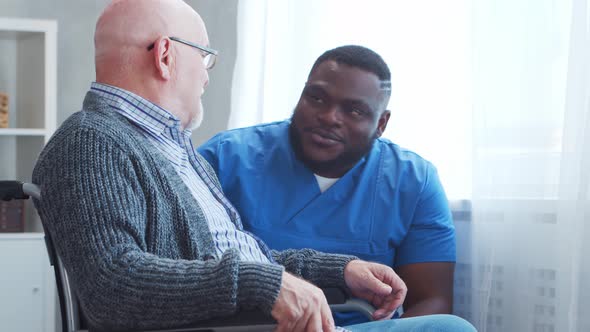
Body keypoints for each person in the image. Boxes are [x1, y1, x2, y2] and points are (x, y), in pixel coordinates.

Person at [30, 1, 478, 332]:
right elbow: (113, 288)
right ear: (166, 56)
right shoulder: (92, 142)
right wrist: (262, 284)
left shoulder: (174, 151)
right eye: (204, 56)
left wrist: (339, 270)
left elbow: (244, 259)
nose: (206, 75)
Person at [198, 45, 458, 326]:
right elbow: (182, 263)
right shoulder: (225, 158)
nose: (329, 117)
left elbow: (432, 300)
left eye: (355, 110)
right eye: (317, 98)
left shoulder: (414, 181)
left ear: (381, 123)